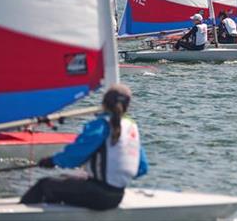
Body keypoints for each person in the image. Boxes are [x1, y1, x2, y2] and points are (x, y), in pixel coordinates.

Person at [20, 84, 148, 210]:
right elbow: (142, 168)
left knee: (44, 185)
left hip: (98, 195)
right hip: (117, 196)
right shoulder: (132, 128)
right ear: (128, 106)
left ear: (104, 103)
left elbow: (75, 156)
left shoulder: (101, 125)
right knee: (66, 180)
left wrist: (52, 161)